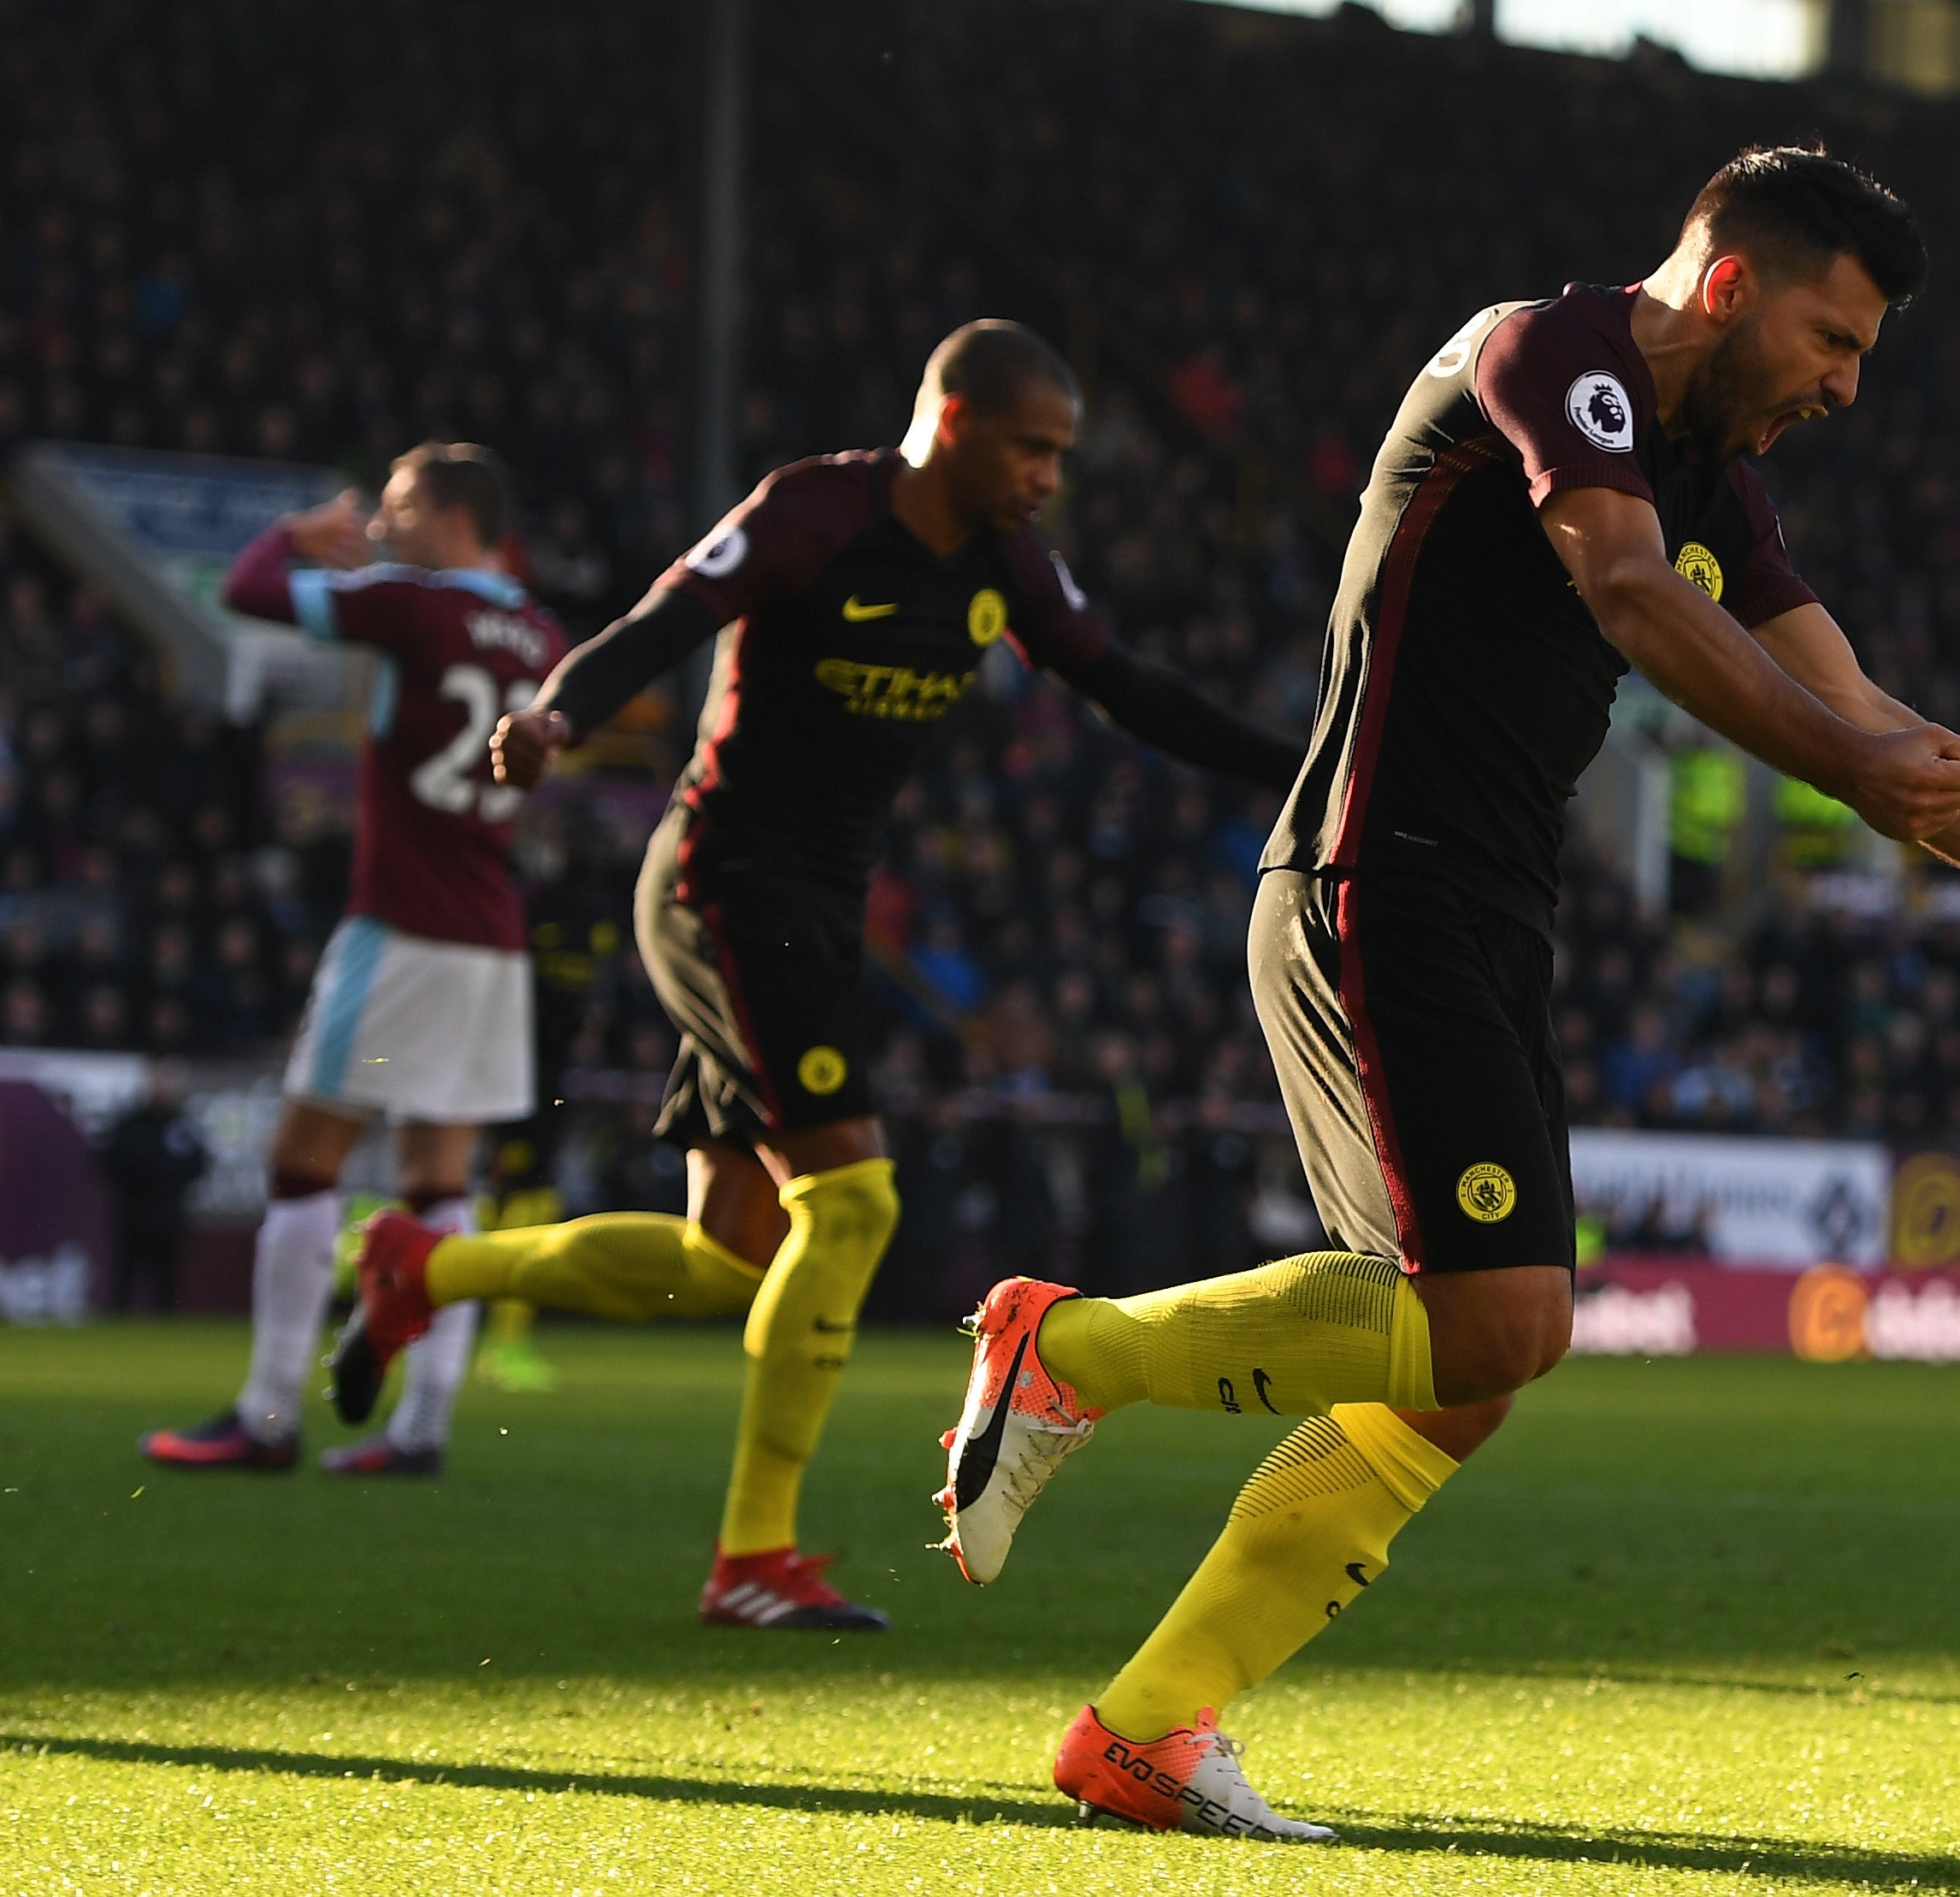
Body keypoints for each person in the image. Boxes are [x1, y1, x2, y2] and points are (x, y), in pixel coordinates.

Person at [935, 146, 1960, 1838]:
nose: (1840, 385)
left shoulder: (1710, 477)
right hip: (1371, 882)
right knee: (1495, 1321)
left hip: (1483, 912)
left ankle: (1147, 1728)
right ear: (1730, 279)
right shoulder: (1543, 354)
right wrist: (1846, 758)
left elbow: (1859, 707)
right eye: (1830, 338)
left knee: (1468, 1368)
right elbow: (1622, 589)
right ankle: (1058, 1344)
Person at [326, 321, 1302, 1628]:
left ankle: (419, 1267)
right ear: (953, 424)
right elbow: (666, 615)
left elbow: (1123, 686)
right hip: (724, 878)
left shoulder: (1003, 560)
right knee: (850, 1205)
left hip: (818, 905)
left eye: (1059, 454)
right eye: (1032, 447)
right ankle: (751, 1557)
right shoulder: (816, 512)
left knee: (727, 1256)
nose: (1050, 477)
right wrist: (559, 708)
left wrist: (1300, 766)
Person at [139, 442, 566, 1478]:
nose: (378, 521)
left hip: (402, 930)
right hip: (493, 943)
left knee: (302, 1165)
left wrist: (296, 537)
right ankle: (421, 1429)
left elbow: (249, 591)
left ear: (453, 513)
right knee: (440, 1191)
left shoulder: (412, 604)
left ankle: (268, 1413)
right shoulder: (541, 632)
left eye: (396, 502)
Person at [97, 1066, 210, 1314]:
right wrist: (148, 1177)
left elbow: (199, 1164)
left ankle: (164, 1325)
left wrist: (163, 1178)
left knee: (167, 1279)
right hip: (133, 1211)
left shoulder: (182, 1126)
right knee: (125, 1274)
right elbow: (108, 1162)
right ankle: (117, 1325)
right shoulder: (130, 1124)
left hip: (169, 1213)